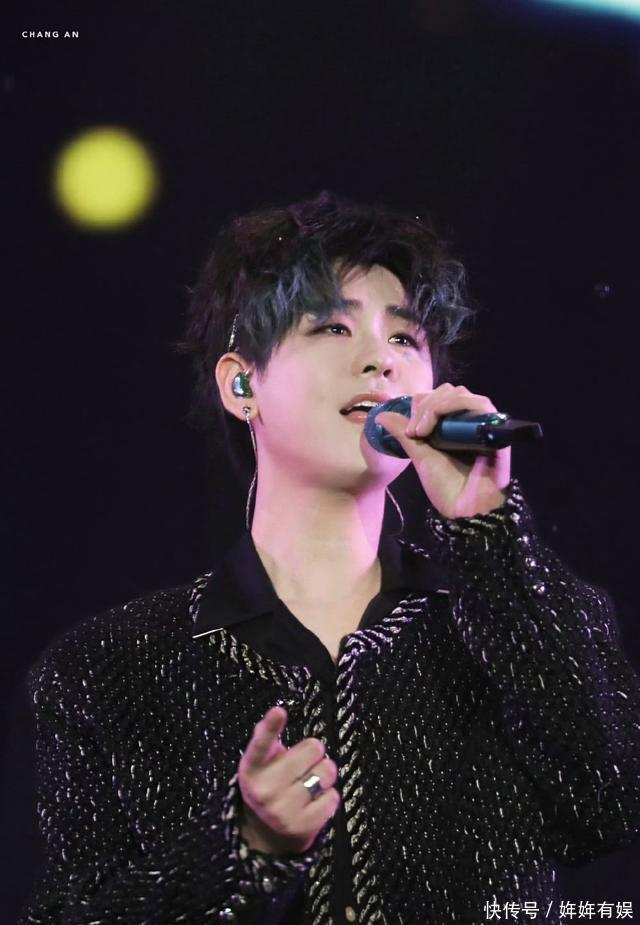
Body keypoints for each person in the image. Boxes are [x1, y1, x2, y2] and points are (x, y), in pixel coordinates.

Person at [19, 190, 640, 925]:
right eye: (333, 326)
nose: (379, 359)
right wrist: (244, 847)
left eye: (405, 338)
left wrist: (491, 534)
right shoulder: (109, 668)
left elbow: (610, 801)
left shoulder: (516, 616)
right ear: (242, 383)